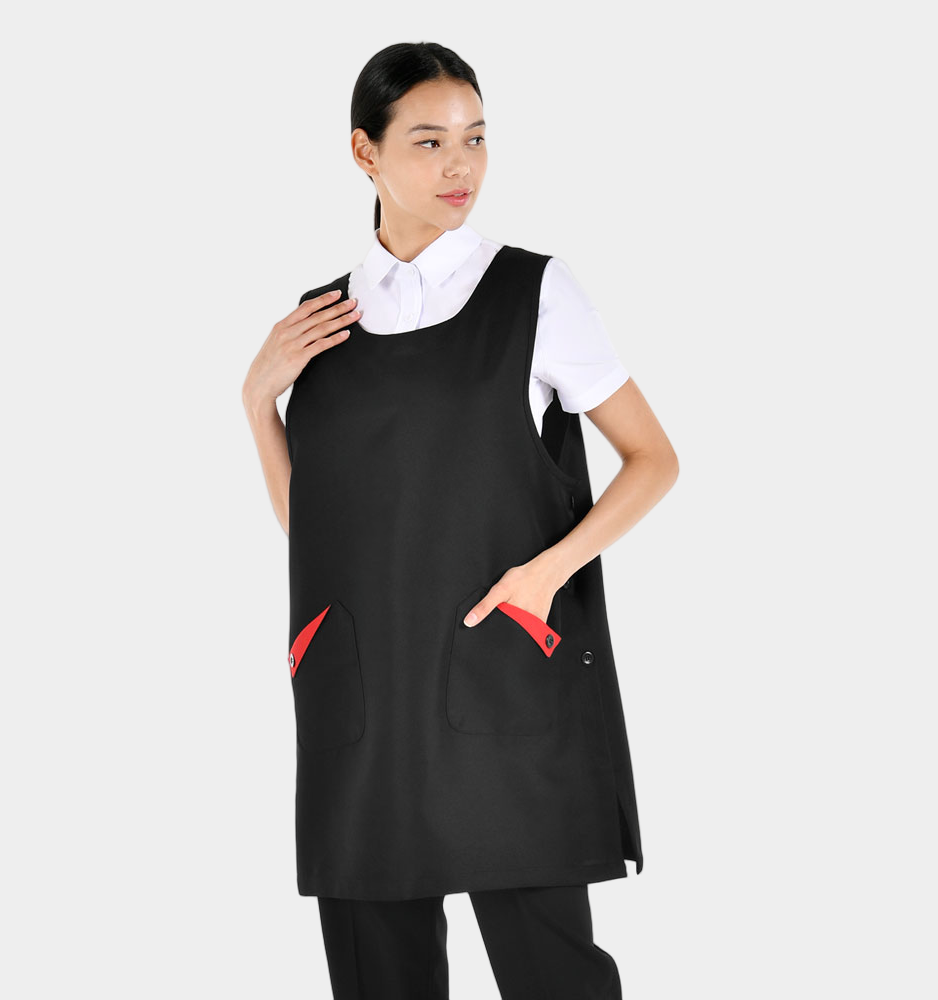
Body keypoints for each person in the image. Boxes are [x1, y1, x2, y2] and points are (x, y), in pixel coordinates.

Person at [243, 41, 679, 1000]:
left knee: (552, 975)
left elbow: (654, 460)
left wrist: (547, 574)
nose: (461, 167)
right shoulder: (319, 322)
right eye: (430, 141)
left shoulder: (534, 293)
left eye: (476, 139)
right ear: (364, 152)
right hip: (363, 703)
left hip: (503, 686)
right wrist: (258, 403)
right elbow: (314, 531)